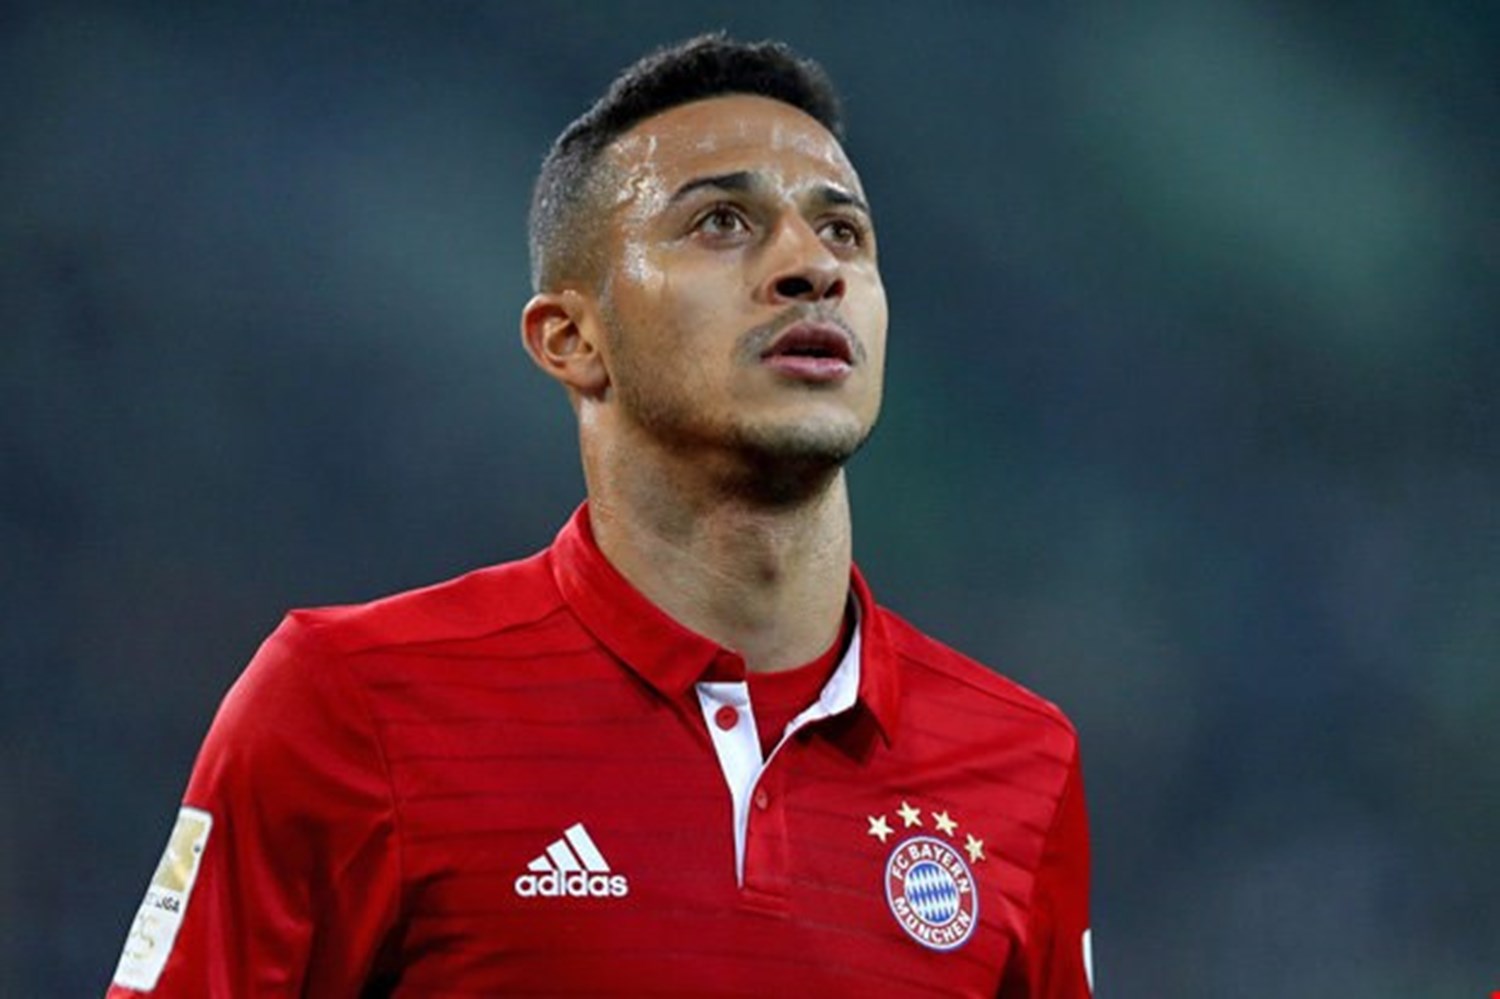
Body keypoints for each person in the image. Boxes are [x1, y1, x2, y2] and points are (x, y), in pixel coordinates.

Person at [108, 34, 1094, 997]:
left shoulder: (1020, 760)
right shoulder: (350, 704)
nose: (811, 267)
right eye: (722, 222)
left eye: (844, 232)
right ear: (572, 339)